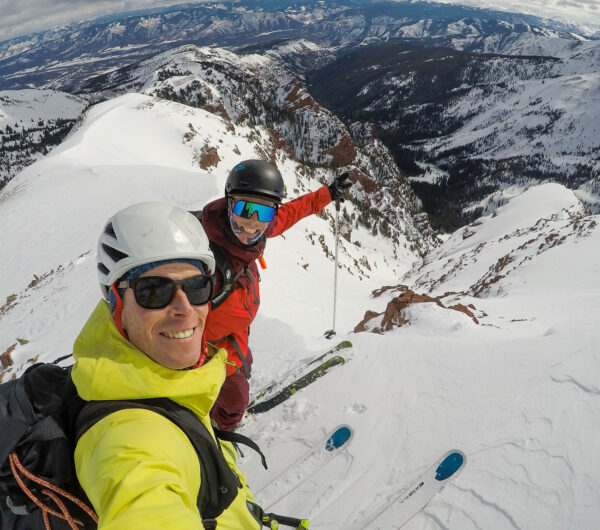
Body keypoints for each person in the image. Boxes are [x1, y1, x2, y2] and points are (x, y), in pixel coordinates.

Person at [71, 202, 263, 529]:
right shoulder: (131, 443)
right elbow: (143, 504)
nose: (184, 309)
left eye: (197, 287)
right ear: (115, 300)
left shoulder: (172, 387)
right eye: (154, 291)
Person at [194, 159, 351, 430]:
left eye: (264, 213)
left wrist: (327, 193)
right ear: (229, 203)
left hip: (236, 334)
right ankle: (223, 430)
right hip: (209, 351)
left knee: (246, 365)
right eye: (245, 208)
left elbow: (291, 212)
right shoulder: (201, 259)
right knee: (235, 401)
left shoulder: (257, 229)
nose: (253, 223)